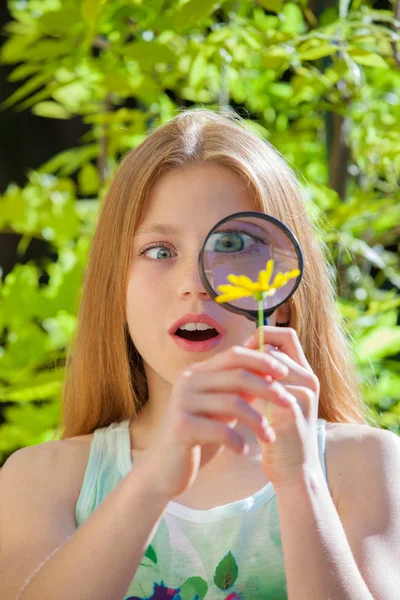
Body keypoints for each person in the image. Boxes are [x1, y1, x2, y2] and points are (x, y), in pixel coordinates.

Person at [1, 108, 399, 600]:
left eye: (232, 243)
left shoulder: (363, 464)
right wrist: (153, 481)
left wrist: (300, 483)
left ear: (287, 290)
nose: (195, 284)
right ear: (114, 284)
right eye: (159, 251)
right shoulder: (41, 480)